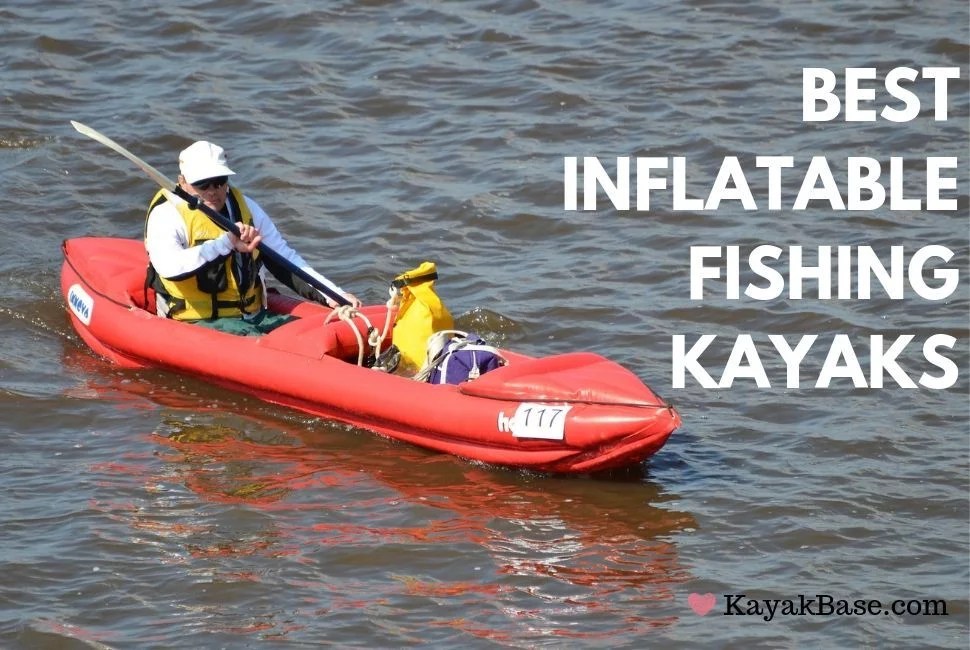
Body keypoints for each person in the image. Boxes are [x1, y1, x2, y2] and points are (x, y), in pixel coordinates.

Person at [144, 140, 359, 335]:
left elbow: (284, 258)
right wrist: (227, 243)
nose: (213, 191)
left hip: (252, 316)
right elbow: (170, 267)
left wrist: (334, 296)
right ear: (182, 181)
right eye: (203, 184)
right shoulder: (166, 214)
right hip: (198, 321)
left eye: (219, 181)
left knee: (314, 333)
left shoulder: (245, 208)